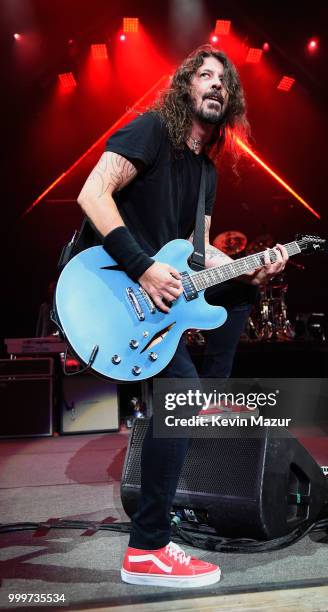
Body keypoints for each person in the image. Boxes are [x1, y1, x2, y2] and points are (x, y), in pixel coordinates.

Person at [76, 45, 288, 588]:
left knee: (238, 298)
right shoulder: (151, 131)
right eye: (206, 75)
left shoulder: (206, 173)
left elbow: (198, 255)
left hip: (156, 294)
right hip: (109, 284)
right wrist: (144, 268)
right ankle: (147, 550)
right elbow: (92, 194)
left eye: (225, 81)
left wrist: (250, 268)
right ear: (184, 88)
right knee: (180, 394)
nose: (217, 85)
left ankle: (206, 399)